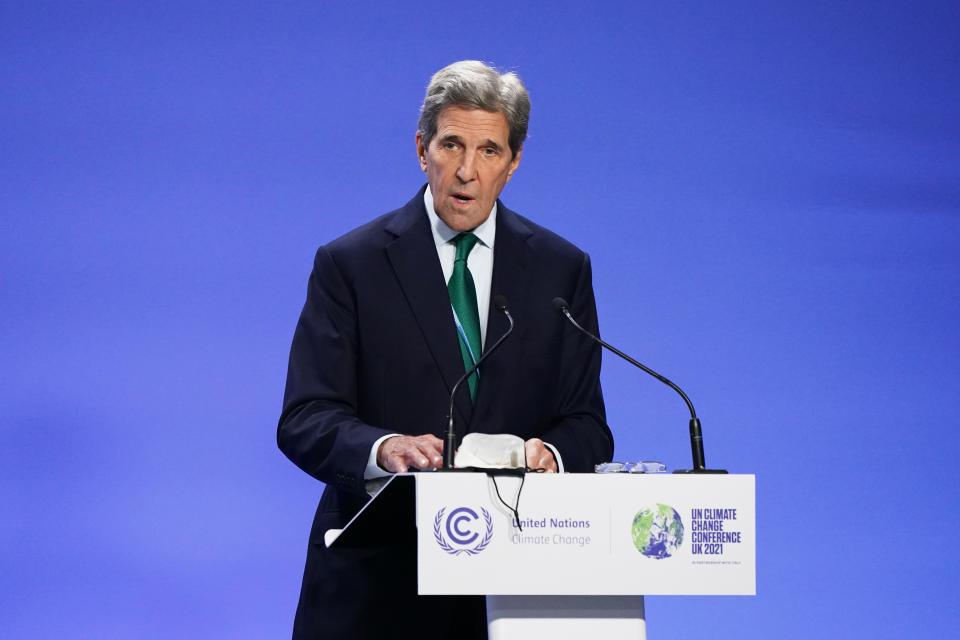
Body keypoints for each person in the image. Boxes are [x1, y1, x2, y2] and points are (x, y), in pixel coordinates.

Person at [278, 60, 613, 640]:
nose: (466, 171)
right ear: (421, 148)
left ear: (513, 163)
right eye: (451, 144)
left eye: (488, 151)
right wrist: (382, 448)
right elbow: (305, 417)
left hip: (516, 585)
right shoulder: (351, 265)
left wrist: (552, 456)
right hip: (377, 588)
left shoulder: (561, 271)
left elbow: (586, 423)